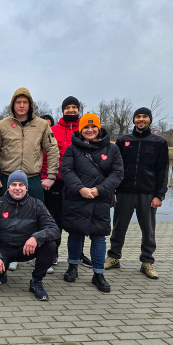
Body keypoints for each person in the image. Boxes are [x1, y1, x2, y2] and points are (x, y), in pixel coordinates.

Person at [60, 114, 123, 293]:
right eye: (86, 127)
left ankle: (98, 274)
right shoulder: (73, 149)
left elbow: (118, 173)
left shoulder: (112, 149)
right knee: (75, 233)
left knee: (99, 237)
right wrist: (80, 188)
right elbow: (66, 170)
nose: (90, 130)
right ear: (80, 130)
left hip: (100, 199)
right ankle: (72, 266)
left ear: (99, 128)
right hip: (77, 198)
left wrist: (99, 189)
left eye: (93, 127)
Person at [107, 107, 169, 279]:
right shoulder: (123, 141)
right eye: (138, 117)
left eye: (144, 117)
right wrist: (113, 190)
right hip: (124, 191)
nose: (141, 119)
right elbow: (115, 167)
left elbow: (162, 170)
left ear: (150, 120)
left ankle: (147, 262)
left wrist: (159, 195)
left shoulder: (159, 142)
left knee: (148, 230)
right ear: (134, 120)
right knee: (118, 227)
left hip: (148, 193)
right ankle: (113, 257)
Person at [0, 171, 59, 300]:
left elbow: (54, 229)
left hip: (26, 249)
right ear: (8, 187)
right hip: (4, 248)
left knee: (50, 244)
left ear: (26, 188)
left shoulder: (37, 204)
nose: (17, 188)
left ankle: (36, 282)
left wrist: (36, 237)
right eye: (14, 184)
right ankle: (2, 270)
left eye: (21, 185)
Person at [38, 97, 92, 269]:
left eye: (74, 107)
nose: (71, 110)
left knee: (78, 220)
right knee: (54, 219)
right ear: (63, 110)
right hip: (57, 182)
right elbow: (45, 155)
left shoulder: (86, 130)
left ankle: (78, 254)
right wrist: (46, 176)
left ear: (78, 109)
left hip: (79, 183)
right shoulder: (52, 130)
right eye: (67, 107)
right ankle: (53, 253)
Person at [0, 88, 60, 202]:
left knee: (36, 211)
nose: (22, 105)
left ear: (30, 104)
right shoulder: (1, 126)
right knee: (6, 212)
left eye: (25, 102)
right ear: (13, 104)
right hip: (7, 178)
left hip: (32, 179)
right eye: (18, 102)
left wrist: (51, 176)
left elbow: (52, 149)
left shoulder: (42, 125)